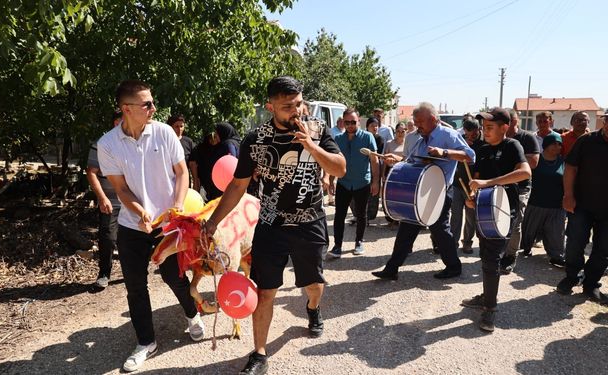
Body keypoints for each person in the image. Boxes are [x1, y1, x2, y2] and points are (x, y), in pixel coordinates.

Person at [202, 76, 345, 375]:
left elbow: (339, 168)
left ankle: (313, 308)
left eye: (298, 103)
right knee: (266, 291)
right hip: (271, 225)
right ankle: (259, 354)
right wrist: (213, 221)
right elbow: (238, 184)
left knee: (314, 286)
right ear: (270, 107)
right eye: (287, 107)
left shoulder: (318, 129)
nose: (296, 111)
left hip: (310, 223)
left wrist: (310, 145)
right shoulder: (255, 140)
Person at [97, 80, 204, 372]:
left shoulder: (165, 132)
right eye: (147, 104)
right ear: (126, 109)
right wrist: (141, 212)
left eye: (152, 102)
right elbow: (121, 189)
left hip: (168, 224)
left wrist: (178, 206)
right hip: (133, 226)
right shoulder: (108, 144)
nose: (154, 109)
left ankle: (192, 315)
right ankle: (146, 342)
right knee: (135, 287)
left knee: (174, 276)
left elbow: (182, 173)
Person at [372, 102, 475, 281]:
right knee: (407, 227)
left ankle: (454, 267)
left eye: (420, 122)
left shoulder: (448, 135)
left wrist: (444, 152)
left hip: (441, 191)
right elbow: (411, 160)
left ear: (433, 119)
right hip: (421, 190)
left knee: (440, 230)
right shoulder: (421, 137)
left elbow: (469, 156)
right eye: (415, 121)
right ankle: (392, 269)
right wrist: (396, 159)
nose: (417, 125)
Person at [461, 107, 531, 332]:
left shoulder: (513, 146)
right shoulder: (481, 150)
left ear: (505, 127)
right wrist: (471, 197)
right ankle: (487, 296)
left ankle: (490, 308)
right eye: (484, 127)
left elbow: (525, 173)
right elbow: (477, 180)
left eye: (490, 127)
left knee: (492, 259)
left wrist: (489, 183)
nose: (485, 131)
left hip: (504, 212)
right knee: (486, 256)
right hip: (483, 211)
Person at [555, 111, 608, 305]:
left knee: (603, 249)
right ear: (604, 121)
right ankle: (572, 276)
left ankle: (591, 283)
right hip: (582, 204)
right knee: (575, 242)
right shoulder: (586, 141)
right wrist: (568, 195)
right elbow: (570, 168)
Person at [329, 111, 379, 257]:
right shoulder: (338, 139)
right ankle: (337, 246)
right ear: (343, 123)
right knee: (339, 215)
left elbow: (374, 161)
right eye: (347, 122)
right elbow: (334, 161)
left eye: (353, 122)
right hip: (343, 182)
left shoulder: (367, 137)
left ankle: (359, 242)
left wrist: (375, 182)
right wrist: (331, 180)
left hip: (362, 182)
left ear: (358, 122)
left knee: (361, 214)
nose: (350, 125)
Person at [499, 109, 540, 273]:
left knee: (515, 222)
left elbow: (533, 162)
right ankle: (500, 252)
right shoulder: (498, 139)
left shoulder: (527, 138)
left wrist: (512, 162)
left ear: (515, 121)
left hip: (521, 187)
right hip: (501, 186)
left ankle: (510, 257)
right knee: (500, 219)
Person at [86, 110, 123, 289]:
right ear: (115, 123)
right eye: (121, 121)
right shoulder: (102, 144)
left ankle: (132, 271)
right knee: (107, 237)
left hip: (132, 203)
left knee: (131, 239)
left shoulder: (134, 144)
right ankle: (104, 273)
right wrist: (102, 198)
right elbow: (91, 172)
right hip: (111, 202)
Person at [520, 132, 566, 266]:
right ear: (545, 145)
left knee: (556, 233)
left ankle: (556, 255)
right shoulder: (536, 160)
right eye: (553, 143)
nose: (557, 147)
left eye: (559, 144)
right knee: (528, 232)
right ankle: (526, 248)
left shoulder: (564, 162)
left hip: (556, 206)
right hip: (536, 203)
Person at [450, 118, 484, 254]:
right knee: (456, 215)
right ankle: (453, 242)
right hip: (457, 183)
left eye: (475, 134)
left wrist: (474, 189)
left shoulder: (482, 145)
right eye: (469, 133)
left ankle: (467, 243)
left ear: (478, 130)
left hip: (473, 184)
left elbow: (481, 167)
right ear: (464, 131)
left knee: (471, 217)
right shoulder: (459, 140)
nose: (471, 137)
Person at [188, 132, 219, 200]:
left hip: (215, 179)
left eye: (214, 138)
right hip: (203, 179)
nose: (212, 141)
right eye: (210, 139)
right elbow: (193, 162)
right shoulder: (200, 148)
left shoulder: (218, 148)